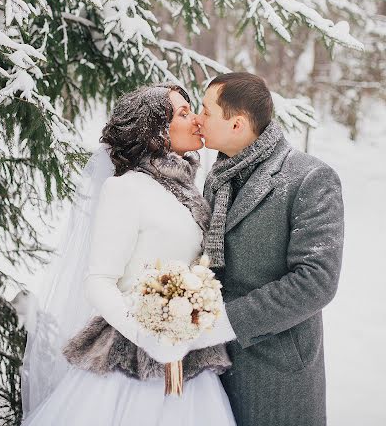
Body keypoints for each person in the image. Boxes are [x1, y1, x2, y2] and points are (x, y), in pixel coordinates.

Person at [20, 83, 236, 426]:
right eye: (183, 113)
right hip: (130, 365)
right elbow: (99, 282)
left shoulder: (191, 190)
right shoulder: (126, 188)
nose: (196, 119)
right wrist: (150, 336)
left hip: (191, 362)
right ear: (155, 132)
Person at [196, 72, 345, 426]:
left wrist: (226, 321)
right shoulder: (218, 176)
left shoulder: (310, 178)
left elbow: (316, 282)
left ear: (237, 124)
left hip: (276, 371)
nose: (198, 119)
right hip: (214, 367)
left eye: (206, 111)